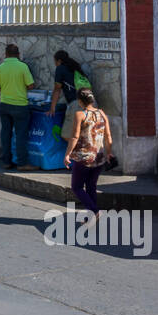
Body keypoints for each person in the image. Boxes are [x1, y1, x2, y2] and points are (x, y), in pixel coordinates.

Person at [65, 87, 111, 221]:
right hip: (99, 156)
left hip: (84, 157)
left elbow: (74, 137)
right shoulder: (102, 113)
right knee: (91, 185)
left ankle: (95, 211)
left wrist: (67, 154)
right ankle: (92, 215)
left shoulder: (80, 114)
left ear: (80, 101)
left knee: (77, 187)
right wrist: (109, 153)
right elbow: (108, 136)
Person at [0, 43, 38, 168]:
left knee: (6, 133)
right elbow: (31, 85)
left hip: (4, 105)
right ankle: (22, 163)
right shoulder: (23, 67)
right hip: (20, 106)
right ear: (18, 54)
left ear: (5, 54)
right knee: (21, 134)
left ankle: (6, 161)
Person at [48, 50, 91, 142]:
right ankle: (83, 152)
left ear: (59, 61)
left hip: (77, 105)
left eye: (55, 61)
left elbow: (57, 89)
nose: (55, 64)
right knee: (83, 134)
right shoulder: (75, 67)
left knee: (67, 135)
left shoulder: (60, 69)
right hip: (91, 103)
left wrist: (52, 108)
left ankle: (79, 153)